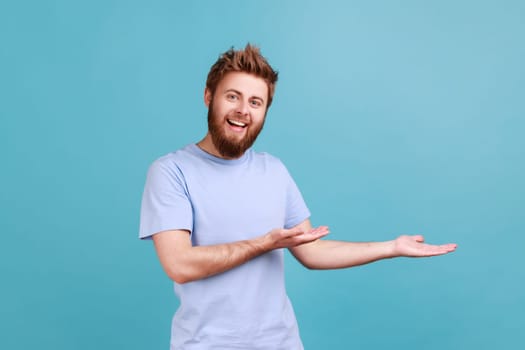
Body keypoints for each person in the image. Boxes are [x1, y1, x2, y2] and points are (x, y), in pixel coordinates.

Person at [139, 44, 457, 350]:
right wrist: (263, 244)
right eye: (232, 96)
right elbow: (180, 264)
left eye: (255, 102)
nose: (242, 111)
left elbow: (311, 251)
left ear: (264, 111)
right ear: (209, 97)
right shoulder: (171, 171)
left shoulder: (274, 170)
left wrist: (392, 247)